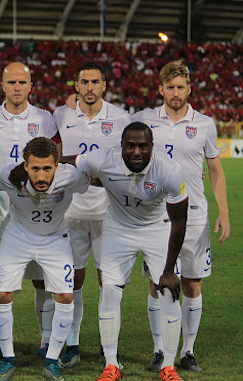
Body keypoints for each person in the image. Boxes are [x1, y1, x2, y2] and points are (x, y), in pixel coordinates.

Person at [67, 122, 188, 381]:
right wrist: (32, 164)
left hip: (157, 229)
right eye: (130, 146)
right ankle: (111, 365)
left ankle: (168, 367)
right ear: (119, 146)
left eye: (143, 146)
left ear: (152, 147)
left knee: (168, 292)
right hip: (118, 229)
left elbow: (179, 221)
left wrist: (168, 270)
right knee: (110, 291)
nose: (136, 151)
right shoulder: (102, 159)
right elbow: (68, 161)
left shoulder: (170, 171)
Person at [133, 61, 230, 373]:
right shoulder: (145, 120)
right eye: (170, 87)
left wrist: (224, 212)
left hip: (195, 216)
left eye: (180, 87)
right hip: (156, 216)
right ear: (161, 90)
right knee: (157, 284)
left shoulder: (204, 124)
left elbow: (215, 171)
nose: (175, 93)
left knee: (192, 285)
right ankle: (160, 350)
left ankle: (187, 351)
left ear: (190, 89)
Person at [0, 62, 61, 365]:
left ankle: (46, 339)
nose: (16, 87)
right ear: (2, 84)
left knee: (42, 281)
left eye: (21, 82)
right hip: (1, 213)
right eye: (11, 82)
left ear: (30, 86)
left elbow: (58, 157)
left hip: (37, 212)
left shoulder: (45, 118)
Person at [53, 62, 131, 368]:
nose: (89, 87)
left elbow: (130, 158)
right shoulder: (61, 114)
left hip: (109, 211)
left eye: (94, 82)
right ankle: (72, 343)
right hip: (71, 209)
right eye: (83, 82)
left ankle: (106, 344)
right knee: (73, 278)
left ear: (103, 85)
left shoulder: (121, 117)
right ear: (76, 86)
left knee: (109, 280)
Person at [0, 137, 89, 381]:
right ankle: (8, 358)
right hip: (16, 237)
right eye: (35, 168)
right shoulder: (8, 176)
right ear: (25, 166)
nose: (42, 176)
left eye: (47, 168)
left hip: (55, 239)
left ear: (57, 165)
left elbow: (91, 179)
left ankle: (52, 359)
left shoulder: (72, 176)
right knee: (2, 294)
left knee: (65, 296)